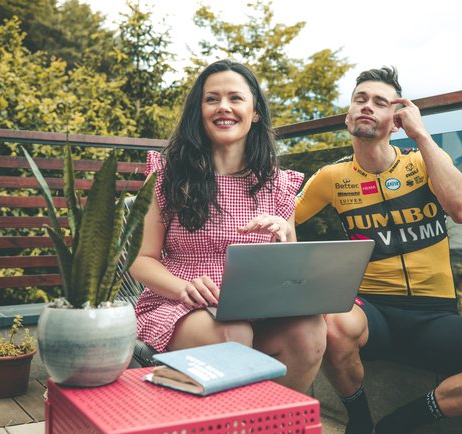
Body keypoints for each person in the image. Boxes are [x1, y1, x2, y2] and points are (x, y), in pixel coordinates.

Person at [295, 66, 462, 434]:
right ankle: (359, 424)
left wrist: (421, 134)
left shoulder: (423, 161)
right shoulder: (331, 177)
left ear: (396, 120)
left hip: (434, 315)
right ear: (347, 116)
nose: (366, 107)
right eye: (360, 100)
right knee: (332, 322)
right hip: (371, 311)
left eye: (379, 102)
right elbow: (283, 217)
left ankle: (399, 424)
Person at [129, 59, 326, 393]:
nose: (224, 107)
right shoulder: (166, 176)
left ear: (255, 112)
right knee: (232, 332)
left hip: (258, 306)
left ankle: (268, 425)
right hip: (182, 303)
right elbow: (141, 259)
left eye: (235, 98)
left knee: (310, 329)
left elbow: (293, 274)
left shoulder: (279, 185)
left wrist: (286, 235)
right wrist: (183, 288)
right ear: (199, 111)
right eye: (212, 99)